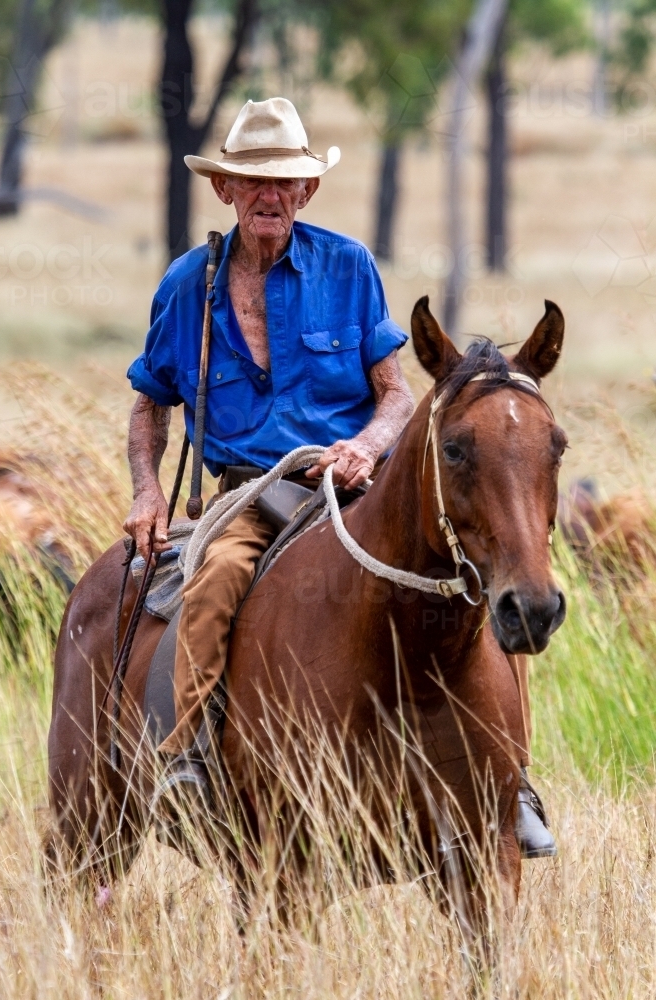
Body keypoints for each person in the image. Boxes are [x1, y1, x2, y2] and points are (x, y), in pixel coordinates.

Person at [124, 97, 555, 858]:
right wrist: (147, 491)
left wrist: (362, 447)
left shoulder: (348, 266)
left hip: (359, 485)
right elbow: (148, 407)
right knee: (216, 577)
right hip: (253, 492)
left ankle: (509, 781)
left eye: (285, 181)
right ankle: (187, 759)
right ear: (224, 189)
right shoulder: (188, 285)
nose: (269, 195)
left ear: (306, 191)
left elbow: (395, 396)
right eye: (252, 181)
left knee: (478, 576)